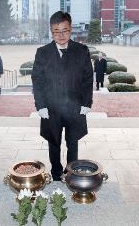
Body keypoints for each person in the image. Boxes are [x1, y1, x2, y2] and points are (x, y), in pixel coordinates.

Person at [31, 11, 93, 181]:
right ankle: (56, 173)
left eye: (64, 30)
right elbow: (37, 80)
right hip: (51, 108)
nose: (61, 35)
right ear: (51, 31)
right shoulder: (42, 52)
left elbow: (88, 78)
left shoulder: (82, 50)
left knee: (73, 143)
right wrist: (41, 105)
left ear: (71, 29)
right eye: (56, 31)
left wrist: (86, 103)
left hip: (75, 107)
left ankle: (72, 174)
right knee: (54, 143)